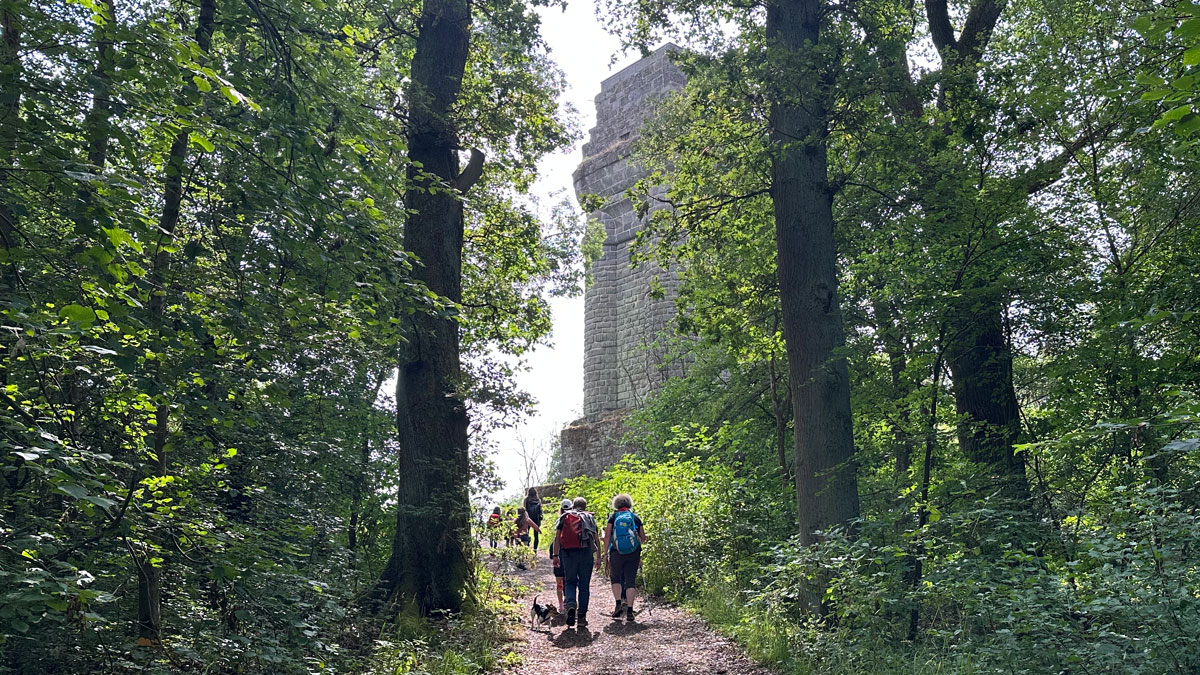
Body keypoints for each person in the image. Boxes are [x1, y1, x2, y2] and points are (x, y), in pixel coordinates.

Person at [553, 496, 599, 628]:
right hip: (586, 553)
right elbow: (596, 538)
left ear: (573, 505)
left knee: (570, 581)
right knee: (584, 585)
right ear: (585, 506)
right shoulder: (589, 517)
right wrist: (599, 557)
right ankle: (582, 616)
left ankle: (571, 605)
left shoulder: (565, 516)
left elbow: (557, 537)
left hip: (568, 553)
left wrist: (556, 555)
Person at [601, 493, 647, 621]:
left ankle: (618, 605)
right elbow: (643, 538)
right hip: (633, 553)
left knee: (615, 578)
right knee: (630, 580)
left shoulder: (613, 517)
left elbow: (608, 536)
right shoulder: (635, 517)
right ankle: (630, 611)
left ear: (616, 504)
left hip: (616, 552)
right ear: (629, 503)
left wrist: (606, 554)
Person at [547, 499, 572, 611]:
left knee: (559, 582)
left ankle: (561, 605)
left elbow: (557, 538)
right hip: (570, 553)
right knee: (569, 580)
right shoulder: (575, 519)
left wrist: (554, 555)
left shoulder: (559, 520)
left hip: (558, 550)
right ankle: (569, 600)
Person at [524, 487, 544, 552]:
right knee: (536, 535)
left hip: (528, 518)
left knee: (526, 533)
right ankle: (535, 550)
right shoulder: (538, 500)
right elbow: (540, 510)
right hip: (536, 519)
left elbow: (524, 510)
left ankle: (526, 547)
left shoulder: (526, 499)